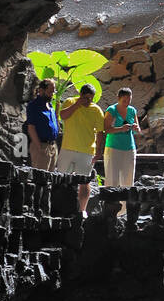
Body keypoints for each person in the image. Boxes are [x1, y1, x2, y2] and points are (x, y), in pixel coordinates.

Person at [55, 84, 104, 216]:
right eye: (86, 98)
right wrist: (77, 105)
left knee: (84, 181)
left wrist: (99, 150)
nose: (88, 101)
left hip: (87, 151)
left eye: (91, 99)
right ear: (80, 95)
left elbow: (100, 132)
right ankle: (59, 208)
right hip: (67, 148)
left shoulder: (96, 110)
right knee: (61, 179)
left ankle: (82, 210)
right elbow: (63, 115)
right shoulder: (70, 102)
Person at [102, 87, 142, 217]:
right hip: (114, 147)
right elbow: (106, 129)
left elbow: (138, 129)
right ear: (119, 99)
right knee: (112, 177)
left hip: (129, 148)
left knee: (128, 178)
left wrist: (135, 128)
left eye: (129, 100)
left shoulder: (132, 110)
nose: (127, 103)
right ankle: (110, 208)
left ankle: (124, 211)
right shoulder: (112, 110)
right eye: (124, 100)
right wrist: (121, 128)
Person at [24, 79, 59, 171]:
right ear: (41, 90)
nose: (52, 94)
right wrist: (39, 147)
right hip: (41, 146)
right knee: (40, 177)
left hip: (52, 147)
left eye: (53, 91)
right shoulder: (33, 106)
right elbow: (31, 128)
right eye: (50, 91)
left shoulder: (50, 106)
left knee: (50, 178)